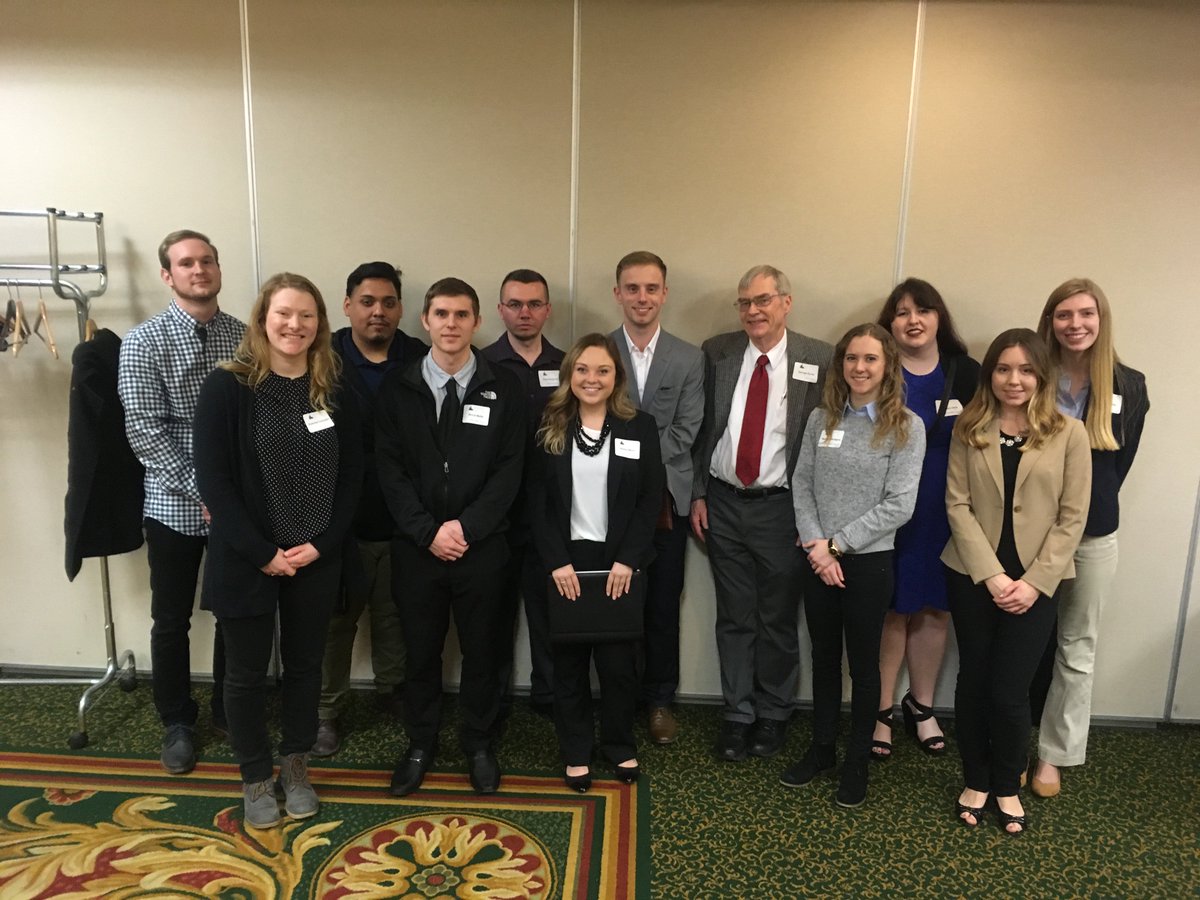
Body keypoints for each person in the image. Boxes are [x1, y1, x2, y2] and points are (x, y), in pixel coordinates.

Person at [193, 273, 362, 828]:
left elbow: (352, 480)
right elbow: (214, 481)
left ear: (320, 324)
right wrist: (262, 552)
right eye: (284, 314)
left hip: (315, 558)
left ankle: (296, 767)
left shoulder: (335, 389)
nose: (295, 325)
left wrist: (322, 545)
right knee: (244, 674)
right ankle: (255, 778)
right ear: (263, 319)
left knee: (306, 668)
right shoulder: (228, 387)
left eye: (306, 315)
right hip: (248, 558)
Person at [375, 277, 525, 797]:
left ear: (477, 322)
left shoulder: (504, 387)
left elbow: (510, 470)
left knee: (484, 653)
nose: (451, 324)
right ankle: (420, 743)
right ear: (425, 320)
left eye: (462, 315)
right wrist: (427, 532)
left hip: (483, 548)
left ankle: (479, 744)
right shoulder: (398, 387)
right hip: (417, 549)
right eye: (441, 314)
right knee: (420, 654)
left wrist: (466, 527)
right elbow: (390, 470)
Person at [942, 328, 1091, 834]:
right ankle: (975, 779)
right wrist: (991, 575)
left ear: (1042, 376)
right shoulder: (969, 427)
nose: (1014, 379)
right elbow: (957, 505)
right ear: (990, 374)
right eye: (1004, 369)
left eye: (1026, 370)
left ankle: (1007, 782)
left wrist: (1033, 582)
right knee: (973, 681)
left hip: (1037, 583)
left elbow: (1073, 517)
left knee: (1010, 690)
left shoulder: (1069, 433)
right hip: (972, 575)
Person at [690, 265, 833, 761]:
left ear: (786, 303)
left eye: (763, 300)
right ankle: (737, 713)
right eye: (745, 302)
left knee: (776, 617)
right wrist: (698, 494)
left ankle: (773, 713)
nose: (753, 311)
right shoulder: (717, 352)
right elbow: (700, 428)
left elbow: (827, 442)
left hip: (782, 507)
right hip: (723, 502)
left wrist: (814, 518)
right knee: (733, 615)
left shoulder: (819, 357)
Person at [118, 229, 245, 774]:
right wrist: (205, 491)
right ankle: (177, 720)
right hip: (173, 506)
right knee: (171, 619)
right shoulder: (142, 342)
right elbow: (145, 433)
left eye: (207, 261)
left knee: (233, 613)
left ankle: (228, 710)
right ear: (168, 275)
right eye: (187, 263)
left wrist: (228, 498)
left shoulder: (245, 338)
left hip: (234, 508)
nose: (199, 270)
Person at [782, 324, 924, 807]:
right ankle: (822, 749)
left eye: (870, 359)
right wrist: (816, 547)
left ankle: (856, 761)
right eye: (851, 358)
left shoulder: (906, 427)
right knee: (823, 659)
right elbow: (802, 484)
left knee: (864, 668)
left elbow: (900, 504)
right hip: (817, 560)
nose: (859, 368)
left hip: (867, 564)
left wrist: (836, 547)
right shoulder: (821, 418)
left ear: (888, 366)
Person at [1028, 279, 1149, 798]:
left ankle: (1052, 755)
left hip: (1094, 532)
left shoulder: (1129, 385)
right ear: (1049, 322)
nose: (1075, 324)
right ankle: (1011, 742)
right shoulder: (1030, 376)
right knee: (1024, 643)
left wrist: (1082, 509)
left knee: (1077, 646)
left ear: (1102, 320)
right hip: (1030, 532)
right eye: (1064, 314)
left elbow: (1119, 465)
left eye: (1085, 314)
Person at [530, 333, 663, 791]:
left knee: (619, 666)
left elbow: (650, 499)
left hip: (619, 561)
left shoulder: (639, 427)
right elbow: (536, 501)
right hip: (566, 560)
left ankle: (619, 745)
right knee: (568, 664)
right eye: (583, 369)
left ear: (616, 377)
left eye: (602, 370)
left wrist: (629, 559)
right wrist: (556, 561)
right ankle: (576, 750)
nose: (592, 379)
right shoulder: (549, 425)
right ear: (570, 375)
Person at [312, 262, 427, 757]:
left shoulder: (419, 358)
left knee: (394, 613)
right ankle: (325, 710)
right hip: (339, 521)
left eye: (388, 303)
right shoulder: (322, 357)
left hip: (404, 518)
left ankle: (392, 691)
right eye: (367, 302)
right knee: (336, 622)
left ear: (400, 309)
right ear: (347, 306)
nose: (377, 311)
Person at [872, 279, 980, 760]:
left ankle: (921, 705)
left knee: (936, 607)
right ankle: (880, 710)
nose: (912, 320)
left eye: (923, 310)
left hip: (948, 505)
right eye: (902, 312)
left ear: (940, 318)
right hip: (888, 506)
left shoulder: (967, 372)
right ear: (889, 323)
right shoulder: (876, 366)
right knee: (892, 607)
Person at [609, 251, 704, 744]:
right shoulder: (598, 352)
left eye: (651, 288)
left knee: (663, 605)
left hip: (668, 501)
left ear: (664, 294)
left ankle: (660, 700)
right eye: (632, 288)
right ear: (618, 294)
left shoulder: (689, 357)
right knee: (615, 602)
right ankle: (618, 698)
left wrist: (635, 463)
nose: (641, 297)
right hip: (606, 502)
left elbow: (687, 430)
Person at [481, 269, 564, 720]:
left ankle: (549, 697)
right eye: (514, 304)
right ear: (500, 310)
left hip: (551, 513)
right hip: (496, 514)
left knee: (549, 610)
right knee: (494, 614)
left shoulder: (568, 366)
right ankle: (493, 701)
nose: (524, 312)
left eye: (534, 304)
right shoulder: (481, 365)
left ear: (547, 310)